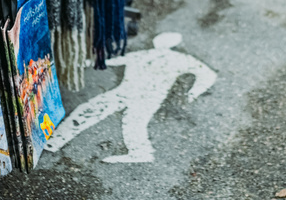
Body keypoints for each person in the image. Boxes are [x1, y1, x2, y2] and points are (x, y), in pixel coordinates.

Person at [43, 32, 217, 163]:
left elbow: (207, 74)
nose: (159, 41)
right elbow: (115, 60)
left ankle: (140, 152)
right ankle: (56, 140)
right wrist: (84, 63)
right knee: (90, 110)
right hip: (125, 91)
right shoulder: (144, 54)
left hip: (149, 96)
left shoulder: (180, 59)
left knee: (134, 122)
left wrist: (194, 91)